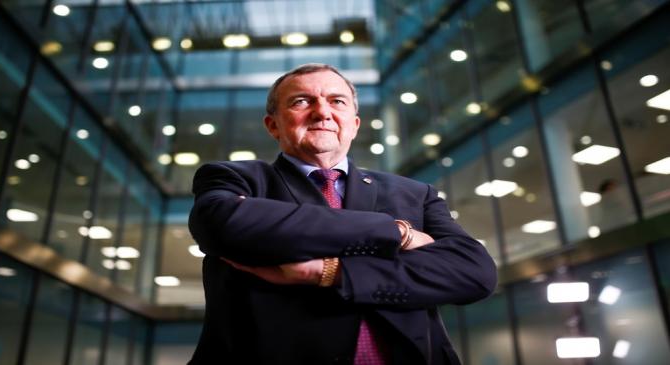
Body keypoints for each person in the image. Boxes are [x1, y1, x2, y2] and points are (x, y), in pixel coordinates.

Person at [188, 63, 497, 365]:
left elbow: (474, 272)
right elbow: (222, 224)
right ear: (273, 125)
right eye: (301, 101)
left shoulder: (414, 193)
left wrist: (329, 272)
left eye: (337, 101)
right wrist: (396, 232)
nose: (323, 112)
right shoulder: (235, 178)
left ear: (355, 123)